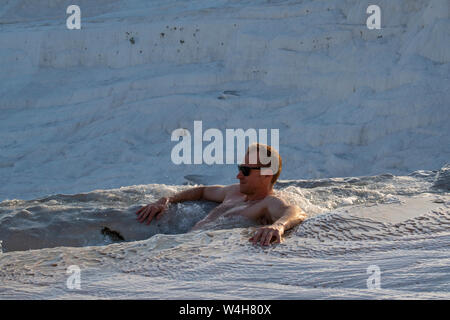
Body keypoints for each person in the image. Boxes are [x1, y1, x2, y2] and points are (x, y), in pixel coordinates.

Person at [136, 143, 306, 246]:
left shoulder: (267, 203)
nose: (238, 175)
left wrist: (278, 226)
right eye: (240, 168)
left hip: (200, 252)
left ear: (267, 174)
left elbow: (295, 211)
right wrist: (166, 200)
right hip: (184, 242)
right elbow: (202, 191)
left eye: (245, 171)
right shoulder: (234, 192)